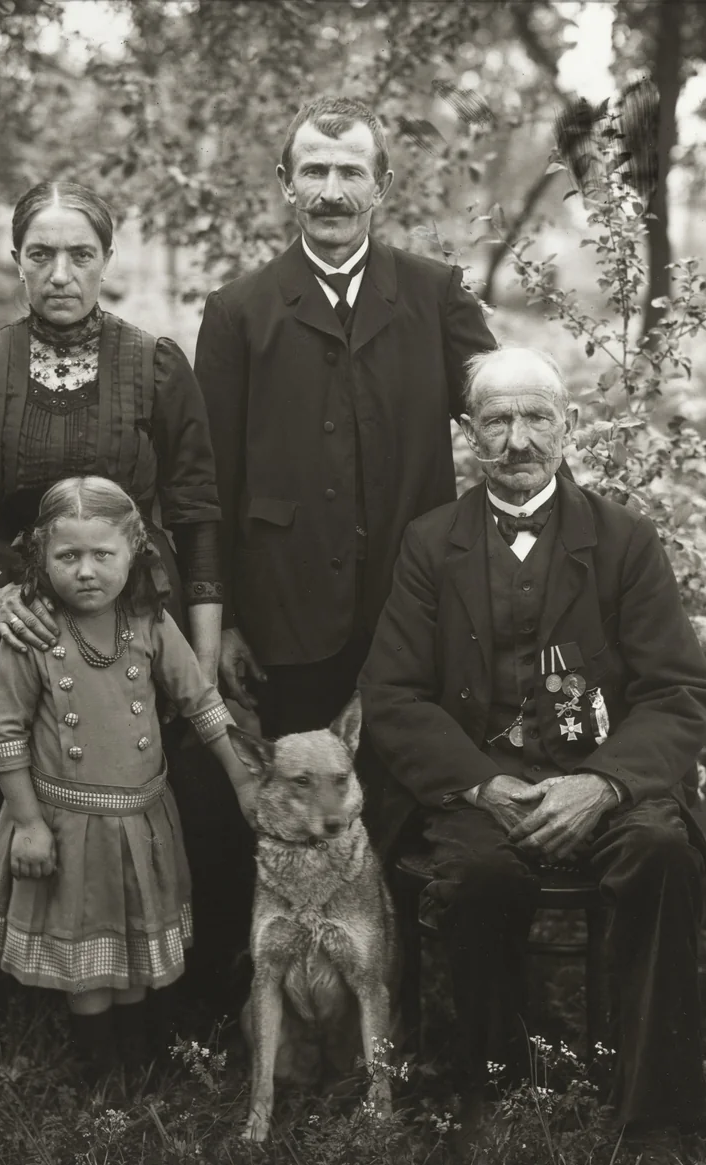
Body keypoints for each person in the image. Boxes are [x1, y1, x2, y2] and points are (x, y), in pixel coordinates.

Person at [359, 346, 706, 1165]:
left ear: (571, 425)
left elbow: (678, 693)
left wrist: (604, 785)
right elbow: (397, 696)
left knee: (663, 857)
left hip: (606, 779)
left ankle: (653, 1120)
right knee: (478, 874)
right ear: (468, 435)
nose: (518, 440)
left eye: (537, 418)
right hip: (483, 784)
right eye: (496, 421)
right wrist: (483, 786)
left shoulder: (624, 541)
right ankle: (488, 1091)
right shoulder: (429, 544)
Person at [0, 181, 251, 1024]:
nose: (61, 273)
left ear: (107, 262)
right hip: (17, 619)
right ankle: (8, 1000)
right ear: (16, 261)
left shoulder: (157, 365)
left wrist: (198, 657)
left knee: (173, 800)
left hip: (137, 620)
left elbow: (198, 515)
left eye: (80, 254)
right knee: (8, 791)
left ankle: (169, 1004)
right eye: (41, 254)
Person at [194, 95, 496, 743]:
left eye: (351, 173)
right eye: (314, 172)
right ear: (286, 185)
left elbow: (505, 427)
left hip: (417, 608)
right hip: (285, 623)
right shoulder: (236, 313)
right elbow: (207, 484)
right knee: (304, 819)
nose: (331, 192)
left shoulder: (437, 296)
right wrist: (224, 626)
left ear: (381, 186)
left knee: (415, 808)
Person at [0, 477, 252, 1081]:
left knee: (131, 951)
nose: (85, 572)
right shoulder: (33, 634)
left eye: (103, 555)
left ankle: (140, 1060)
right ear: (40, 557)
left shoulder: (150, 622)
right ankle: (102, 1071)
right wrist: (28, 823)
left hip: (143, 820)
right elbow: (5, 737)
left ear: (135, 551)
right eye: (67, 556)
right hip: (68, 826)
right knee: (88, 961)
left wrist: (241, 780)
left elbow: (203, 703)